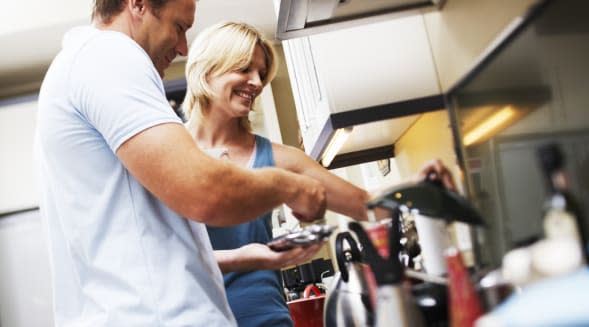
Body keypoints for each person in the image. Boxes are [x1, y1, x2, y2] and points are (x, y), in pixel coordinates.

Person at [34, 1, 329, 326]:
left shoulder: (77, 66)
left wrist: (243, 257)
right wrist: (291, 185)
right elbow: (205, 192)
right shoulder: (110, 56)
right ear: (138, 5)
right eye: (179, 27)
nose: (183, 47)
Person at [182, 21, 459, 327]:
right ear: (207, 70)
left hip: (267, 321)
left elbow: (365, 204)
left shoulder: (276, 157)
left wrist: (418, 188)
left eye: (261, 74)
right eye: (244, 69)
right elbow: (162, 257)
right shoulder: (167, 155)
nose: (257, 83)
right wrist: (246, 256)